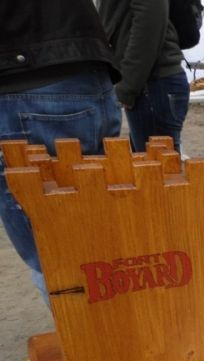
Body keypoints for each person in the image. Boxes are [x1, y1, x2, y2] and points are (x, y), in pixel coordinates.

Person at [0, 0, 122, 301]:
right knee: (101, 242)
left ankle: (100, 343)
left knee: (60, 262)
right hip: (84, 66)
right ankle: (120, 338)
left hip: (27, 77)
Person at [99, 0, 189, 153]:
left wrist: (128, 85)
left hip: (152, 82)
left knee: (156, 170)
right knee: (151, 167)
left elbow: (149, 23)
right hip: (148, 82)